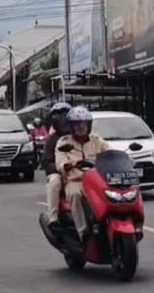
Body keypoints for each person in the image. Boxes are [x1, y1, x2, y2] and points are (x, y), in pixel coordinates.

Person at [55, 106, 109, 241]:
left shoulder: (97, 140)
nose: (81, 127)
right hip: (76, 181)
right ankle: (83, 232)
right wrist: (69, 164)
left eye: (84, 123)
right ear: (71, 126)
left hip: (97, 180)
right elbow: (60, 164)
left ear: (88, 125)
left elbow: (110, 152)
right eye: (76, 124)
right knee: (75, 194)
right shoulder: (64, 143)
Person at [41, 101, 71, 224]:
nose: (63, 120)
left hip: (80, 170)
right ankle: (53, 217)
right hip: (59, 172)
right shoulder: (51, 140)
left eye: (65, 116)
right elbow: (47, 163)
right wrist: (62, 168)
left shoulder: (79, 135)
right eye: (59, 117)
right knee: (54, 182)